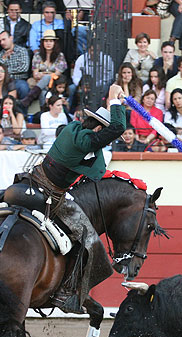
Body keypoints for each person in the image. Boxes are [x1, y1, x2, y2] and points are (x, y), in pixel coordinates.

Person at [28, 84, 126, 313]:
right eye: (104, 133)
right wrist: (114, 100)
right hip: (52, 195)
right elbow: (118, 127)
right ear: (99, 128)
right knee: (88, 240)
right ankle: (65, 292)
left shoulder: (72, 127)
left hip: (31, 180)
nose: (106, 140)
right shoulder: (87, 142)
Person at [20, 30, 67, 108]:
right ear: (43, 43)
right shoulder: (37, 55)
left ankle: (29, 98)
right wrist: (47, 76)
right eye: (46, 41)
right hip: (39, 82)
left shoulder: (60, 55)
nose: (48, 43)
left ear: (54, 43)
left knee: (47, 78)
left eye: (51, 41)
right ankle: (43, 110)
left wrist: (43, 74)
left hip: (54, 82)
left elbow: (57, 74)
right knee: (43, 91)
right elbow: (35, 74)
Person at [0, 31, 31, 100]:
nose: (2, 43)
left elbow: (24, 68)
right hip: (4, 81)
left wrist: (6, 71)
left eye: (4, 39)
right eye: (0, 41)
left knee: (23, 88)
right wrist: (4, 59)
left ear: (11, 38)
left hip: (19, 79)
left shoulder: (21, 51)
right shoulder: (0, 55)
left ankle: (22, 110)